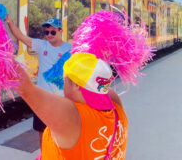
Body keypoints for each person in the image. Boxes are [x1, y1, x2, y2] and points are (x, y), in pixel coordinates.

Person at [14, 11, 153, 159]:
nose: (62, 83)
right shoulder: (116, 107)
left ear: (76, 85)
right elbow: (100, 85)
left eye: (65, 80)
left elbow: (26, 89)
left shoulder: (73, 117)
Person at [5, 16, 72, 143]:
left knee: (58, 132)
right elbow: (20, 36)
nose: (49, 35)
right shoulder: (42, 45)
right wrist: (10, 22)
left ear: (61, 31)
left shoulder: (70, 49)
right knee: (42, 131)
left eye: (53, 32)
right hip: (42, 100)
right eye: (46, 32)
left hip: (60, 100)